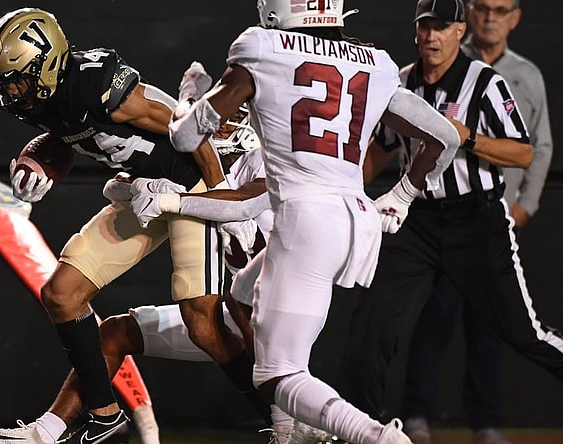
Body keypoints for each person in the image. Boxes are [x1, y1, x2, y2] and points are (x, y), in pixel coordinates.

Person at [166, 1, 464, 443]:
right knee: (242, 293)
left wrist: (191, 101)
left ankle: (376, 436)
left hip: (307, 220)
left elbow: (185, 137)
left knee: (275, 375)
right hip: (358, 220)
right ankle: (292, 433)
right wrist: (401, 196)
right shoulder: (375, 61)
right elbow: (446, 137)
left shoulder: (261, 47)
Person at [0, 8, 267, 444]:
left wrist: (220, 198)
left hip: (192, 185)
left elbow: (183, 127)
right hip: (142, 191)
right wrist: (41, 160)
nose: (12, 91)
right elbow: (74, 132)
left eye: (18, 78)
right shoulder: (44, 98)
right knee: (62, 294)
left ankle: (284, 421)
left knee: (203, 324)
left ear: (47, 65)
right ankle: (103, 418)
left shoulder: (95, 84)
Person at [0, 110, 296, 444]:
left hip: (269, 320)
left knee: (208, 321)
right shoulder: (192, 167)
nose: (208, 130)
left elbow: (235, 205)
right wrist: (148, 184)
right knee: (113, 334)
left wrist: (170, 195)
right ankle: (46, 432)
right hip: (230, 312)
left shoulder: (264, 164)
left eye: (220, 122)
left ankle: (287, 425)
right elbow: (118, 188)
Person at [335, 1, 563, 442]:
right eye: (424, 27)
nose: (431, 38)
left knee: (523, 333)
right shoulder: (398, 84)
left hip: (476, 219)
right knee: (373, 323)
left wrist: (468, 138)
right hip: (416, 221)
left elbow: (524, 152)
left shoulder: (485, 83)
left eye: (441, 28)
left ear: (461, 31)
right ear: (415, 32)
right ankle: (359, 430)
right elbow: (378, 152)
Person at [398, 1, 554, 443]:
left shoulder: (521, 75)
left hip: (491, 213)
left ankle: (485, 424)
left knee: (497, 327)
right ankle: (415, 416)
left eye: (500, 10)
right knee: (433, 320)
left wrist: (526, 206)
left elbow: (536, 148)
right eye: (483, 8)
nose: (490, 18)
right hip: (434, 215)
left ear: (515, 18)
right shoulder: (430, 66)